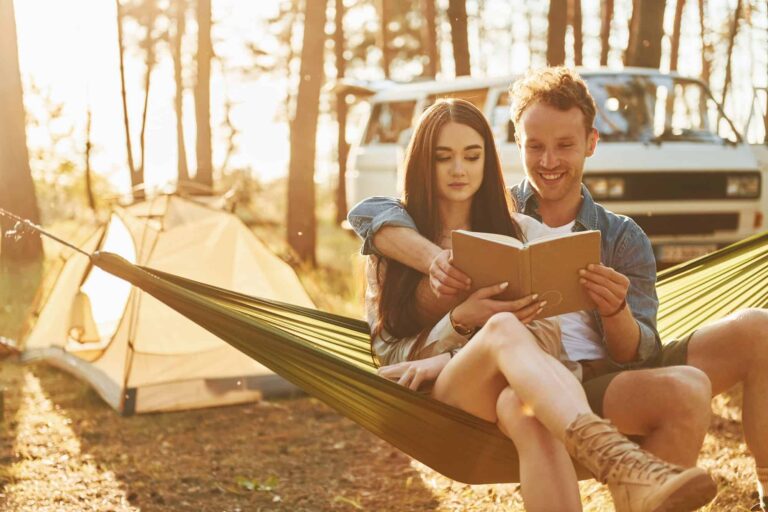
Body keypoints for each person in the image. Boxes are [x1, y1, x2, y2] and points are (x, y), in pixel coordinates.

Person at [349, 66, 768, 511]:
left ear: (590, 143)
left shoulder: (523, 229)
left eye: (472, 156)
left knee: (527, 396)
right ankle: (618, 460)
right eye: (442, 156)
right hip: (445, 396)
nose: (458, 169)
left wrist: (614, 311)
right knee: (507, 336)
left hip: (541, 383)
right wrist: (456, 321)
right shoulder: (399, 236)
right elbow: (386, 338)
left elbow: (562, 337)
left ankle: (631, 474)